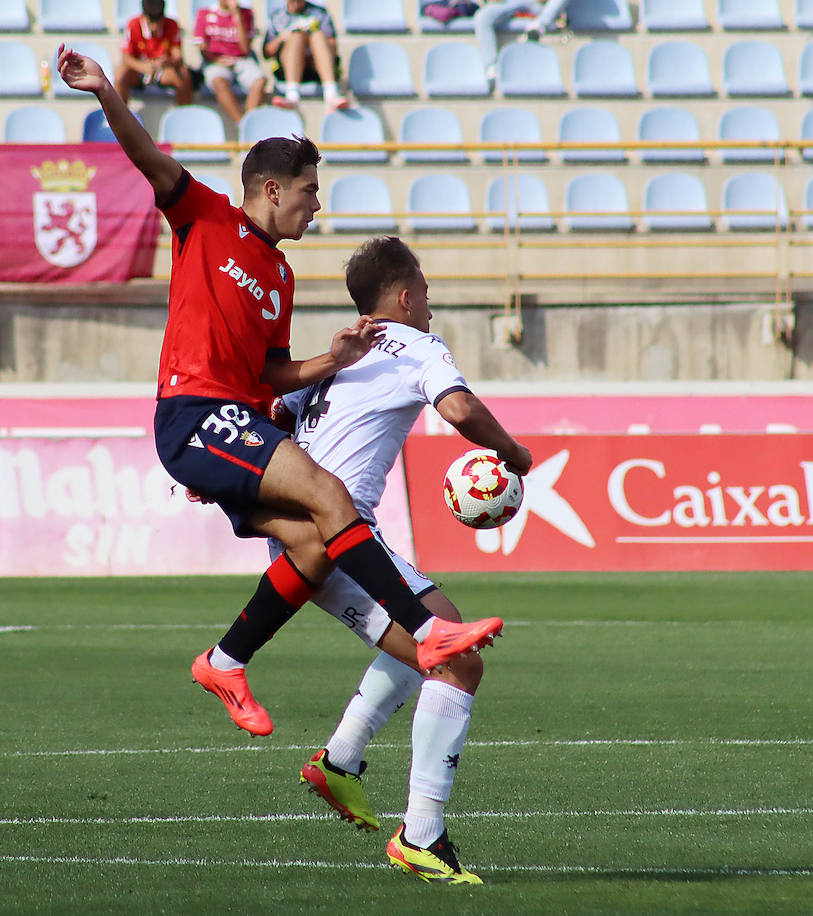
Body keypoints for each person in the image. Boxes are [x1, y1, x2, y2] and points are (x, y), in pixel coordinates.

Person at [55, 44, 504, 739]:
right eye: (309, 191)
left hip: (236, 420)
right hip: (193, 414)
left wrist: (332, 358)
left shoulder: (280, 277)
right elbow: (146, 155)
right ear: (271, 188)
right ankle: (427, 630)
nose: (316, 205)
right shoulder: (204, 217)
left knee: (315, 548)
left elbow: (270, 374)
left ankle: (225, 659)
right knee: (330, 494)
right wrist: (106, 90)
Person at [263, 236, 532, 885]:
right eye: (429, 297)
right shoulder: (415, 345)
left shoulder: (340, 353)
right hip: (339, 531)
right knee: (456, 656)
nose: (432, 310)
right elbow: (460, 409)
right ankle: (421, 836)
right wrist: (515, 455)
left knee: (434, 630)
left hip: (295, 533)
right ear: (407, 295)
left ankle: (343, 760)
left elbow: (274, 414)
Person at [262, 0, 348, 112]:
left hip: (315, 66)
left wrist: (311, 37)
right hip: (287, 66)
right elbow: (267, 53)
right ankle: (292, 95)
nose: (296, 4)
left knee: (318, 36)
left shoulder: (319, 13)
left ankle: (331, 93)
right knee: (296, 37)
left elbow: (333, 47)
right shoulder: (277, 16)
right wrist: (282, 38)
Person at [194, 0, 268, 125]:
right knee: (218, 81)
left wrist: (237, 16)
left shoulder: (246, 13)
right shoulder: (204, 13)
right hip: (215, 61)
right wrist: (217, 60)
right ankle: (242, 124)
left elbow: (245, 49)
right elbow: (202, 47)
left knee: (260, 80)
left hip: (241, 59)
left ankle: (249, 123)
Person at [115, 0, 194, 109]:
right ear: (144, 16)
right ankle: (119, 118)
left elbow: (178, 57)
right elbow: (126, 58)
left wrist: (168, 62)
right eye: (151, 21)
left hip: (163, 70)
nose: (155, 27)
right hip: (138, 70)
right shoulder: (133, 24)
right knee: (120, 74)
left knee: (184, 74)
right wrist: (144, 67)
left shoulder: (172, 25)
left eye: (158, 21)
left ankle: (184, 116)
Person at [474, 0, 569, 82]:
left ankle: (538, 27)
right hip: (509, 3)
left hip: (537, 5)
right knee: (482, 17)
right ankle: (492, 69)